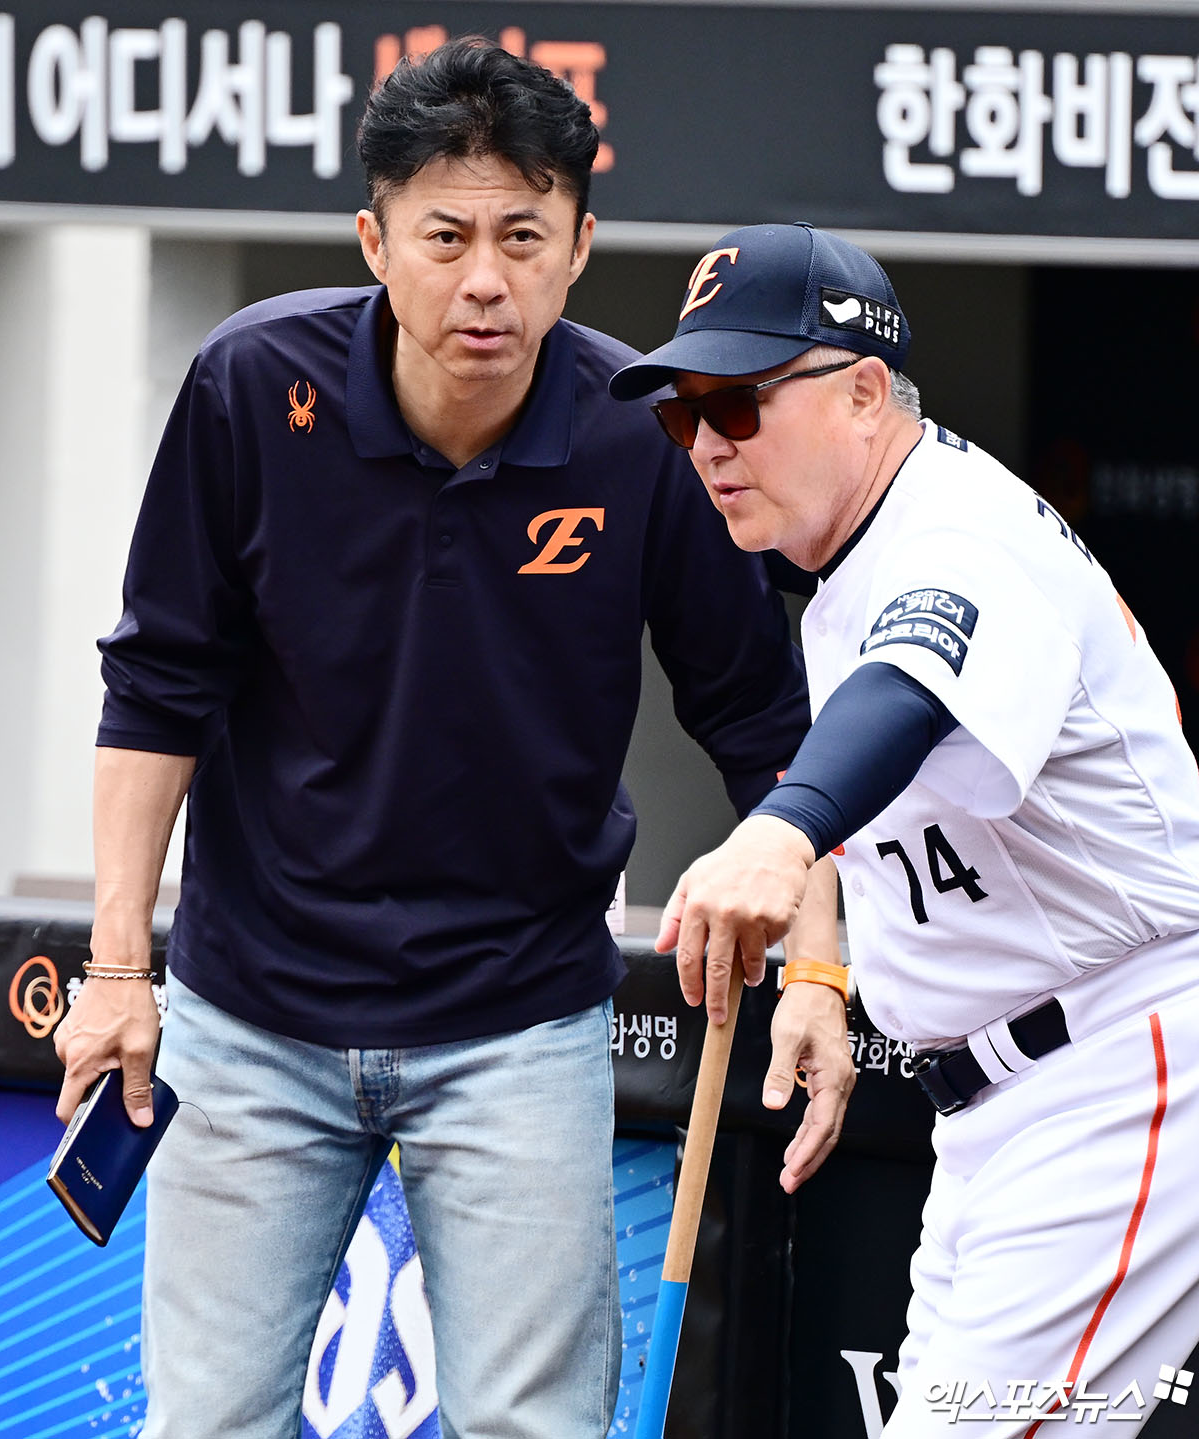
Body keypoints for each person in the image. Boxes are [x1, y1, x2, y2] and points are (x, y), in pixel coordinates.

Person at [50, 43, 815, 1439]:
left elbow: (769, 729)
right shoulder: (248, 386)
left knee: (533, 1426)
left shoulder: (640, 438)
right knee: (205, 1421)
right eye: (446, 236)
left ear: (579, 248)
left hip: (518, 1022)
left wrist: (818, 961)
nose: (485, 280)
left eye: (523, 236)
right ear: (375, 243)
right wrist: (115, 968)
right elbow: (155, 685)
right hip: (251, 1013)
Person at [609, 220, 1199, 1434]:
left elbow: (904, 697)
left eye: (739, 401)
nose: (709, 443)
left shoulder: (956, 531)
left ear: (866, 392)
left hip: (1121, 1060)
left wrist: (779, 833)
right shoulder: (852, 559)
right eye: (685, 414)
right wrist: (822, 972)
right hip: (1007, 1103)